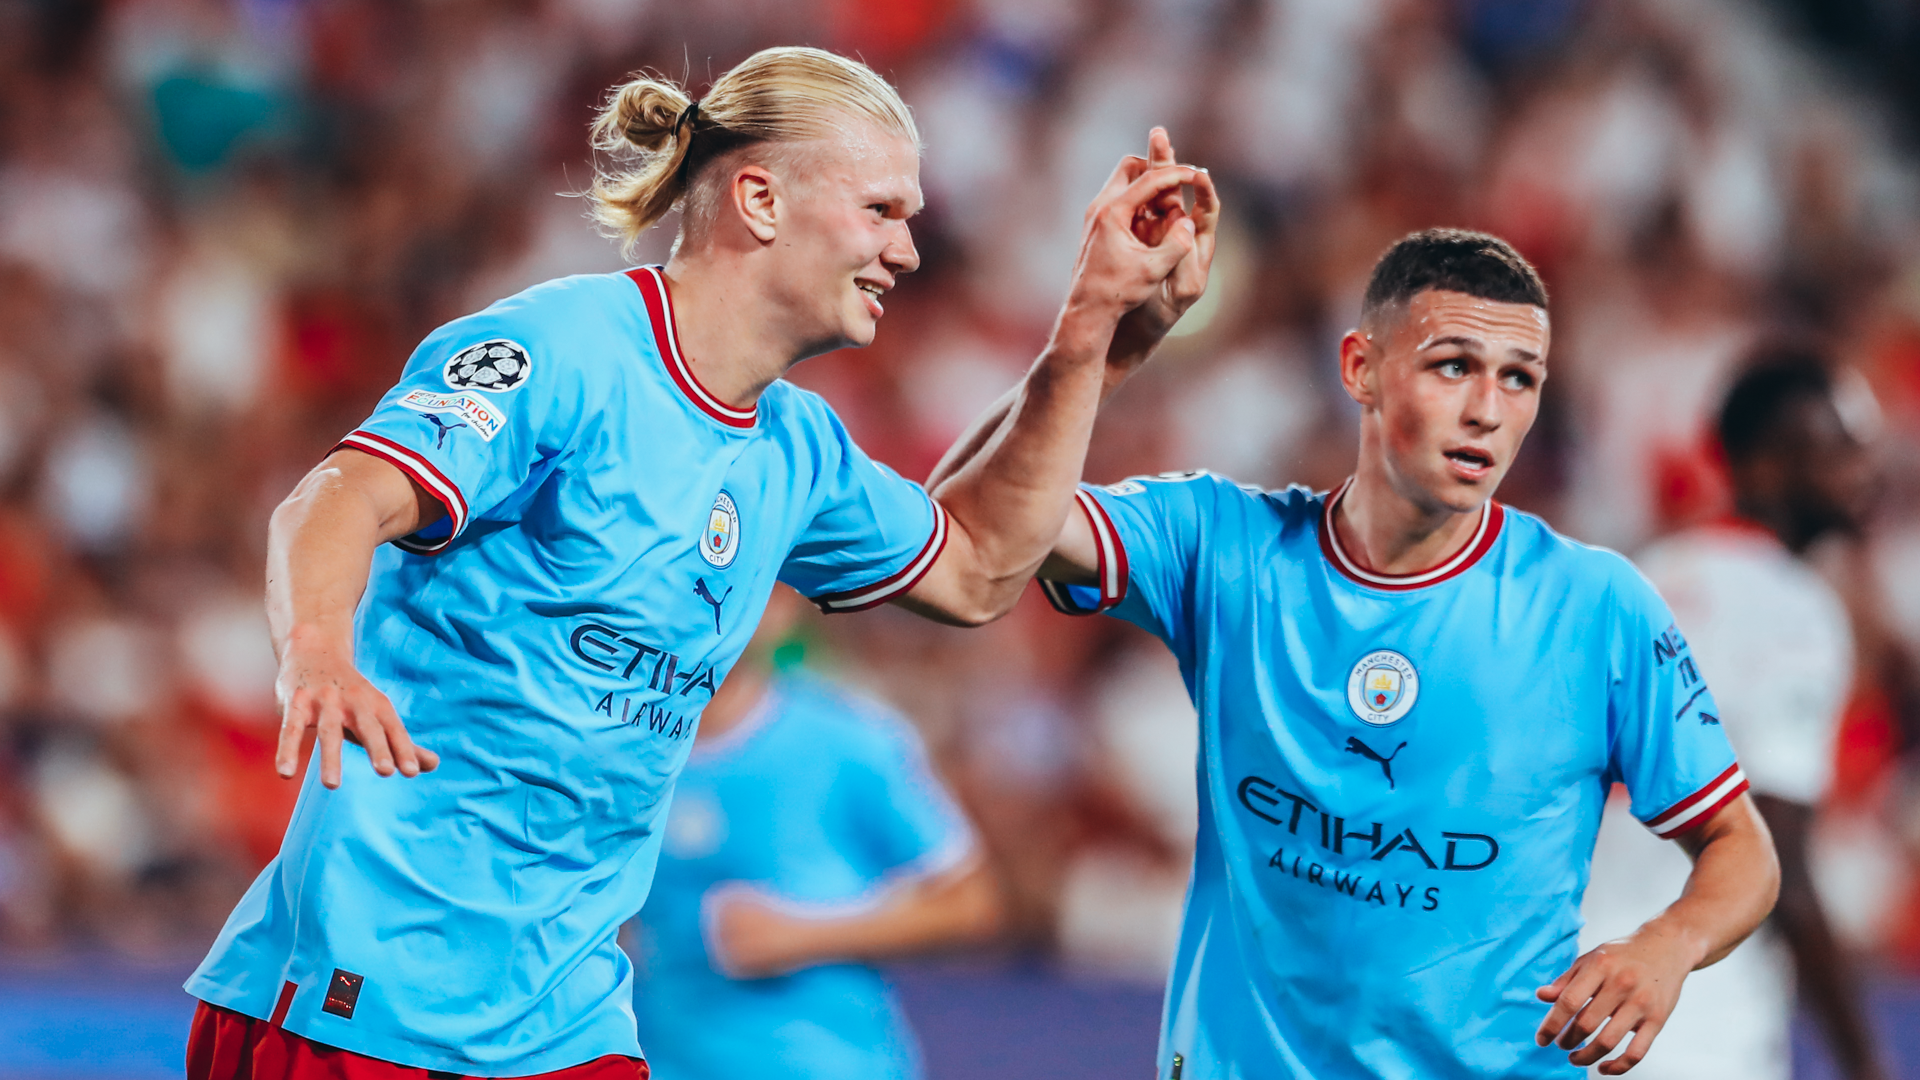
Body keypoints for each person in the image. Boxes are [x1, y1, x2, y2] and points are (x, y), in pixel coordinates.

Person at [182, 46, 1218, 1079]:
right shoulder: (564, 351)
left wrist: (1088, 343)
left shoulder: (798, 449)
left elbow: (983, 565)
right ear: (761, 199)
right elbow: (339, 495)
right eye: (882, 211)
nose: (906, 252)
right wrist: (316, 649)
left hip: (562, 1028)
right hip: (359, 1010)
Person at [984, 228, 1782, 1078]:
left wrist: (1666, 946)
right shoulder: (1222, 544)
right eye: (1453, 366)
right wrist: (1087, 343)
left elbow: (1743, 849)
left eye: (1520, 379)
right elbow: (999, 526)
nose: (1487, 409)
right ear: (1360, 367)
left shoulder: (1595, 606)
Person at [1582, 348, 1885, 1079]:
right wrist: (1862, 1056)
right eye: (1838, 444)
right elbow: (1779, 854)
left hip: (1577, 995)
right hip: (1697, 1019)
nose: (1861, 468)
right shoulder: (1793, 609)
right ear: (1770, 461)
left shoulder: (1643, 576)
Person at [628, 585, 1001, 1080]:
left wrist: (805, 933)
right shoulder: (626, 751)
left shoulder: (850, 740)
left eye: (764, 592)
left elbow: (972, 901)